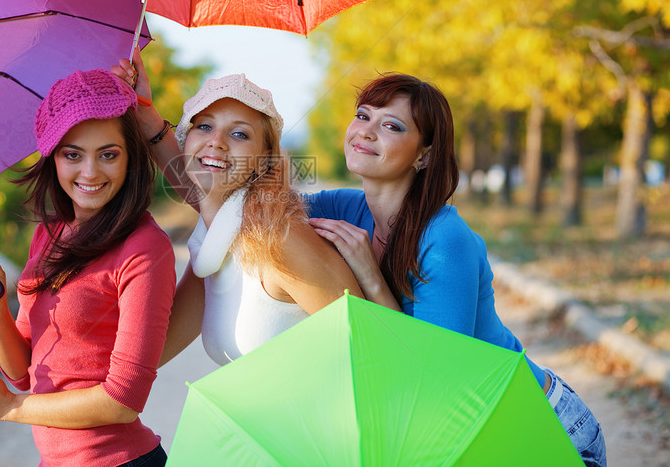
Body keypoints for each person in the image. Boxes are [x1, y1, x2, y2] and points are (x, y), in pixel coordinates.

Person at [304, 72, 606, 467]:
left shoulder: (444, 238)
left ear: (424, 155)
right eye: (363, 115)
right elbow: (263, 205)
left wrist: (371, 277)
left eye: (391, 125)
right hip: (471, 431)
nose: (366, 131)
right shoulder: (347, 208)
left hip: (541, 432)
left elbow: (436, 378)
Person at [111, 52, 398, 367]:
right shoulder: (214, 245)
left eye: (239, 134)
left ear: (264, 160)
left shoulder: (279, 240)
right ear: (187, 139)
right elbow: (149, 355)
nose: (216, 142)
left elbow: (381, 350)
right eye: (204, 126)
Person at [0, 69, 176, 467]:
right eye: (72, 154)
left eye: (108, 154)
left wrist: (10, 408)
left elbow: (123, 400)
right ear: (53, 157)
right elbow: (25, 373)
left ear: (130, 158)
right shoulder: (50, 236)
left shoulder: (145, 248)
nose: (90, 173)